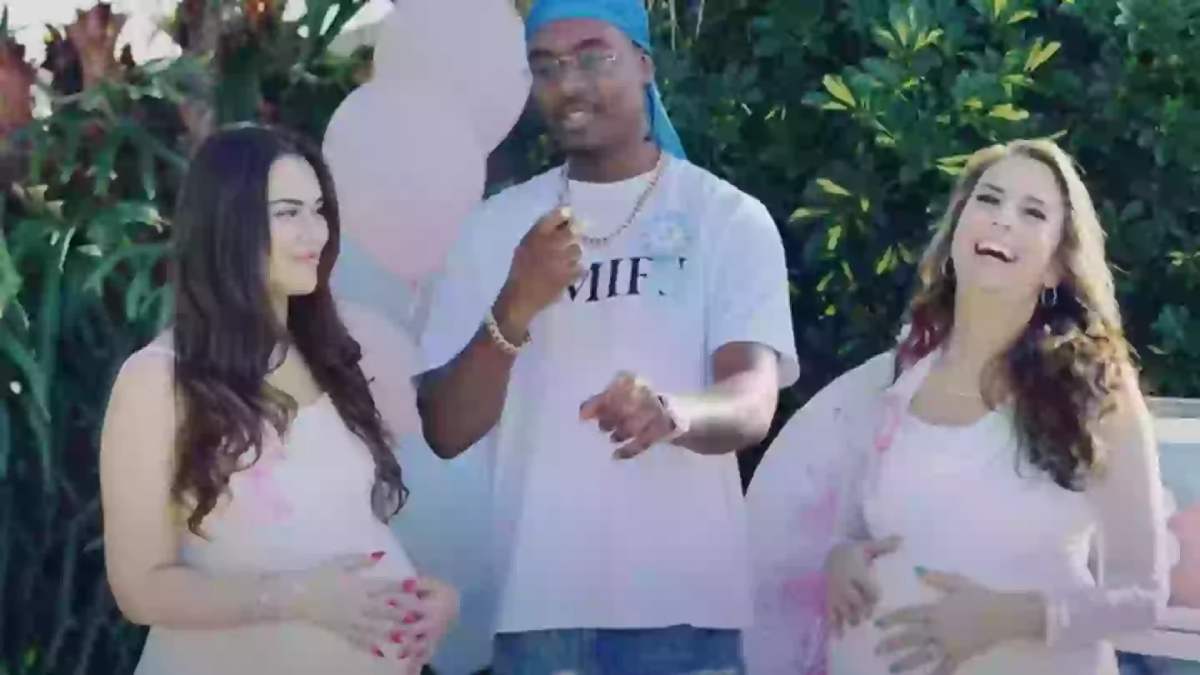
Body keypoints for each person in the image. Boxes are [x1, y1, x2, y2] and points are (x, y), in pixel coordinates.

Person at [415, 0, 799, 672]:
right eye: (546, 66)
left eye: (594, 56)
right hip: (538, 616)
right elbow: (446, 427)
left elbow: (751, 401)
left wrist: (672, 412)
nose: (569, 82)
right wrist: (517, 302)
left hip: (686, 615)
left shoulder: (727, 218)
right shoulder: (493, 228)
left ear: (645, 64)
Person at [745, 139, 1168, 674]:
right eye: (988, 199)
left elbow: (1142, 596)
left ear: (1056, 267)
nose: (1003, 219)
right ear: (956, 234)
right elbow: (850, 528)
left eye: (1033, 212)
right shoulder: (891, 380)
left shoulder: (1096, 390)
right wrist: (840, 561)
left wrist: (1006, 619)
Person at [100, 125, 458, 675]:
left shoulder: (324, 356)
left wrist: (427, 602)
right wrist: (297, 598)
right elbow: (140, 588)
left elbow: (346, 527)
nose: (315, 232)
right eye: (288, 212)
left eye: (319, 210)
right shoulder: (158, 379)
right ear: (227, 225)